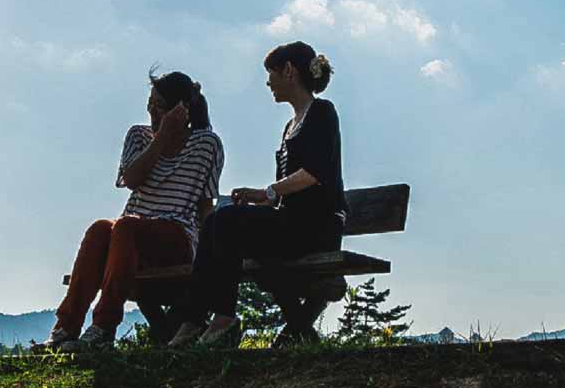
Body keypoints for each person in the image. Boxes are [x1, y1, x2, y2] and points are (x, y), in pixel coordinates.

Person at [168, 40, 345, 348]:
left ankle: (220, 319)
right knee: (215, 224)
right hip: (293, 224)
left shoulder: (322, 112)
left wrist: (267, 192)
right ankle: (195, 318)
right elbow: (287, 190)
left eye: (272, 73)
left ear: (288, 71)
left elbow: (315, 174)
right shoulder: (291, 125)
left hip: (317, 227)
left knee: (225, 223)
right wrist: (261, 197)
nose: (268, 82)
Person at [50, 69, 223, 350]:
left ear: (181, 110)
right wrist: (161, 139)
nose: (153, 114)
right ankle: (66, 328)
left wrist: (209, 256)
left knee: (126, 226)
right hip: (129, 236)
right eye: (150, 107)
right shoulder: (139, 137)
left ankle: (104, 327)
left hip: (175, 236)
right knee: (100, 229)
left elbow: (205, 206)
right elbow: (131, 179)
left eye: (160, 108)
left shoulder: (206, 144)